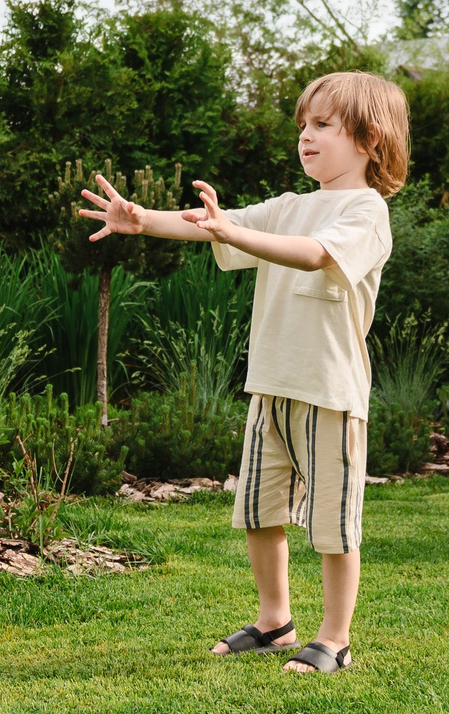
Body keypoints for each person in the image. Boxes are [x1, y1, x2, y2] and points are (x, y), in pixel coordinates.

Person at [74, 70, 407, 675]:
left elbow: (316, 254)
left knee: (333, 523)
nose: (306, 135)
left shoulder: (366, 211)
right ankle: (275, 621)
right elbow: (209, 224)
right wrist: (142, 218)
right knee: (259, 510)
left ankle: (335, 639)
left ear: (370, 138)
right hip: (270, 386)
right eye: (303, 124)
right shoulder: (288, 207)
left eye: (323, 124)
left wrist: (234, 230)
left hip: (329, 392)